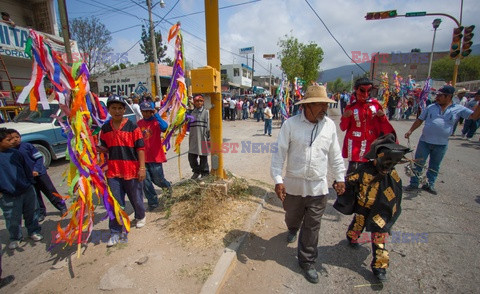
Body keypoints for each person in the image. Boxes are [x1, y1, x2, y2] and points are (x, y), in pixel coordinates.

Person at [271, 84, 346, 284]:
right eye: (321, 105)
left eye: (326, 104)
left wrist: (340, 177)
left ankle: (307, 261)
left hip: (318, 188)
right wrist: (278, 180)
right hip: (293, 187)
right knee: (292, 217)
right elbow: (278, 155)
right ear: (308, 106)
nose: (325, 108)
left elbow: (335, 155)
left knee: (312, 226)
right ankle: (293, 228)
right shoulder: (290, 125)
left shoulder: (329, 125)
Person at [335, 133, 411, 282]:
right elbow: (350, 180)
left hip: (380, 212)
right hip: (363, 206)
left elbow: (396, 194)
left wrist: (389, 213)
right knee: (358, 223)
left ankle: (379, 267)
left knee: (379, 237)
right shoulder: (364, 169)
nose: (387, 166)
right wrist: (339, 185)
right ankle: (352, 237)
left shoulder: (392, 175)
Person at [404, 86, 480, 195]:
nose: (437, 97)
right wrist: (410, 130)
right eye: (437, 95)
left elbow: (474, 116)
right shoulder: (430, 107)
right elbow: (420, 119)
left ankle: (429, 184)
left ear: (448, 97)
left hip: (441, 144)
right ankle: (414, 183)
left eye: (440, 95)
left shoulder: (458, 109)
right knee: (418, 163)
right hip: (425, 141)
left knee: (434, 165)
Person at [99, 95, 147, 247]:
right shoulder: (105, 128)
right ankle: (115, 231)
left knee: (136, 198)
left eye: (120, 108)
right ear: (109, 110)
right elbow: (106, 148)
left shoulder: (133, 126)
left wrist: (142, 168)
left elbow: (140, 148)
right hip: (113, 171)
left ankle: (140, 216)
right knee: (116, 203)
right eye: (114, 108)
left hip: (131, 170)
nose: (117, 111)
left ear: (125, 109)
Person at [8, 129, 68, 222]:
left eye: (17, 137)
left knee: (50, 190)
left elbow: (39, 158)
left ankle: (61, 206)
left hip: (40, 174)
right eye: (12, 138)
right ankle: (41, 212)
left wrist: (36, 169)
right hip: (27, 178)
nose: (16, 139)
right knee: (35, 195)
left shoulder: (27, 146)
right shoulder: (10, 152)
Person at [340, 77, 395, 174]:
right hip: (354, 143)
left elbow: (383, 126)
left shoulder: (375, 105)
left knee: (370, 170)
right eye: (362, 91)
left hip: (371, 143)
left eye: (368, 91)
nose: (365, 94)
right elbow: (343, 127)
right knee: (353, 169)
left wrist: (382, 117)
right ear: (355, 89)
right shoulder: (351, 107)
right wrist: (345, 117)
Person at [0, 128, 43, 250]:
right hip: (8, 194)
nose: (12, 141)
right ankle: (15, 237)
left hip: (26, 189)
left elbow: (26, 169)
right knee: (12, 217)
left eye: (13, 138)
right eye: (8, 140)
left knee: (32, 212)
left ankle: (33, 231)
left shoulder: (15, 153)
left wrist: (30, 183)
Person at [137, 101, 172, 211]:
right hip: (143, 158)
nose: (147, 114)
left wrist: (156, 114)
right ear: (141, 112)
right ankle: (152, 202)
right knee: (145, 181)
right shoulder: (139, 124)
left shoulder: (157, 122)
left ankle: (167, 187)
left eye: (149, 111)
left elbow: (164, 127)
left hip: (155, 156)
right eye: (144, 112)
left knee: (158, 179)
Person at [188, 95, 210, 179]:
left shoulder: (206, 112)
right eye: (197, 101)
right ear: (194, 102)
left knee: (203, 156)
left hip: (202, 136)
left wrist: (208, 137)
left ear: (203, 102)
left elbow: (209, 125)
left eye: (200, 101)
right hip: (193, 137)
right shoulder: (192, 112)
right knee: (191, 157)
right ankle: (196, 171)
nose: (199, 103)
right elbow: (188, 122)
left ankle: (205, 173)